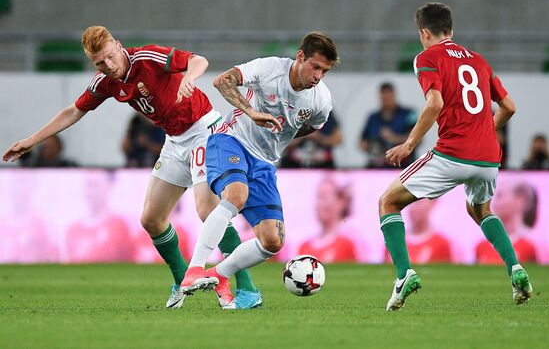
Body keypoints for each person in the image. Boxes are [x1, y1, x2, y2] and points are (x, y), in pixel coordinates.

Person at [2, 26, 259, 309]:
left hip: (204, 130)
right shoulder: (105, 82)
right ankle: (181, 281)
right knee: (151, 219)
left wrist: (189, 77)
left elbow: (199, 61)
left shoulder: (147, 58)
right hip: (174, 141)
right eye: (100, 62)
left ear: (118, 45)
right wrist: (31, 140)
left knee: (207, 210)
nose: (108, 65)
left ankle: (247, 289)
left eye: (110, 56)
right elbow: (74, 110)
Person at [378, 3, 532, 311]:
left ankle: (403, 274)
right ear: (451, 29)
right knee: (480, 210)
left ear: (424, 32)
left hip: (452, 153)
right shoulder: (478, 60)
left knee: (388, 202)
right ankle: (516, 269)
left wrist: (409, 144)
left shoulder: (427, 57)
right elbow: (510, 107)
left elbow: (434, 103)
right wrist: (485, 132)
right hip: (488, 158)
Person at [179, 32, 338, 309]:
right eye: (315, 66)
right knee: (236, 195)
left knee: (272, 240)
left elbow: (313, 125)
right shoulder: (270, 69)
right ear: (300, 57)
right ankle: (194, 270)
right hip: (231, 140)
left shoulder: (320, 100)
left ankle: (219, 275)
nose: (318, 76)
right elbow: (222, 81)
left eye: (324, 71)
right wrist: (251, 112)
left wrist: (282, 135)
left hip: (264, 162)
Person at [475, 181, 538, 264]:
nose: (493, 203)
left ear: (520, 200)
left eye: (499, 196)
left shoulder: (531, 246)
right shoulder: (481, 246)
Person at [298, 176, 358, 262]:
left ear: (340, 203)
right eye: (318, 197)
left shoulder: (347, 244)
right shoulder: (304, 246)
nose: (318, 204)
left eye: (323, 197)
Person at [359, 82, 416, 168]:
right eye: (384, 98)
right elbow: (362, 142)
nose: (387, 101)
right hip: (377, 166)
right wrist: (373, 146)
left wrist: (394, 138)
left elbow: (417, 139)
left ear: (394, 95)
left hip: (403, 165)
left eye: (389, 97)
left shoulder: (408, 114)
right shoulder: (373, 117)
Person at [384, 198, 451, 264]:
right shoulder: (393, 242)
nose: (413, 206)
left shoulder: (441, 244)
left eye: (419, 201)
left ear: (433, 202)